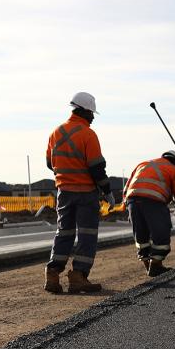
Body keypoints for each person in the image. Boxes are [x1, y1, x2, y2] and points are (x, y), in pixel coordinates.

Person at [44, 92, 114, 293]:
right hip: (85, 193)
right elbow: (96, 168)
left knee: (64, 233)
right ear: (84, 111)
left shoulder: (55, 133)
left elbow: (50, 163)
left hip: (63, 192)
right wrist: (107, 191)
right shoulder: (88, 134)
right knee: (87, 235)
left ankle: (52, 274)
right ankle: (78, 276)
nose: (92, 118)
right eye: (91, 113)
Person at [124, 150, 175, 277]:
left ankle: (148, 267)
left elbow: (126, 188)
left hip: (132, 201)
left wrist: (128, 208)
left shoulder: (142, 164)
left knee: (141, 236)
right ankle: (155, 266)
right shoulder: (173, 170)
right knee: (161, 234)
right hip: (153, 201)